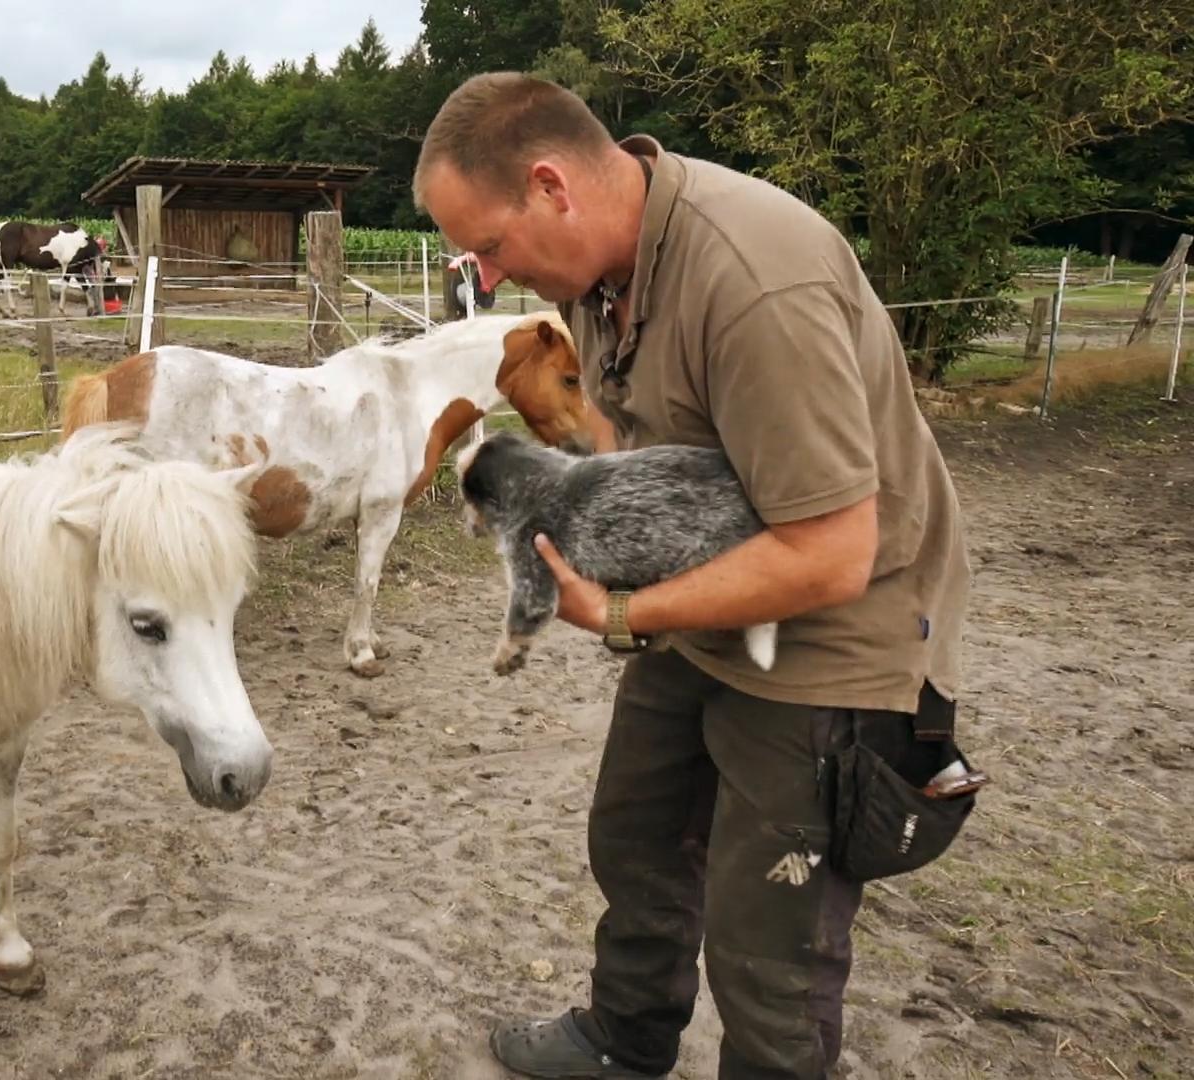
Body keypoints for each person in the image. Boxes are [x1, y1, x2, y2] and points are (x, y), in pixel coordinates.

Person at [410, 72, 974, 1079]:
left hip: (831, 639)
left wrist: (621, 610)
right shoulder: (595, 283)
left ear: (552, 187)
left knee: (771, 938)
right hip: (710, 594)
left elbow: (833, 552)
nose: (486, 278)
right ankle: (625, 1041)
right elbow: (632, 440)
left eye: (489, 246)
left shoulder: (755, 280)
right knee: (635, 833)